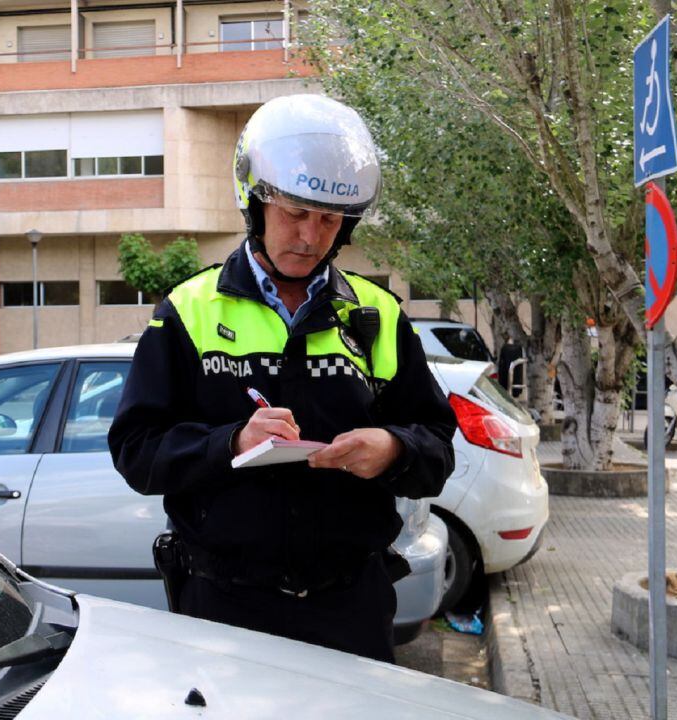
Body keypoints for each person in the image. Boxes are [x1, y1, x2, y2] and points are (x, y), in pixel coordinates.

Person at [108, 94, 456, 662]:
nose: (311, 236)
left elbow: (438, 448)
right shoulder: (187, 311)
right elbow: (136, 450)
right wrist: (231, 443)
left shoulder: (380, 315)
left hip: (351, 607)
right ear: (255, 201)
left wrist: (394, 449)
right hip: (225, 610)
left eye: (329, 219)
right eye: (295, 213)